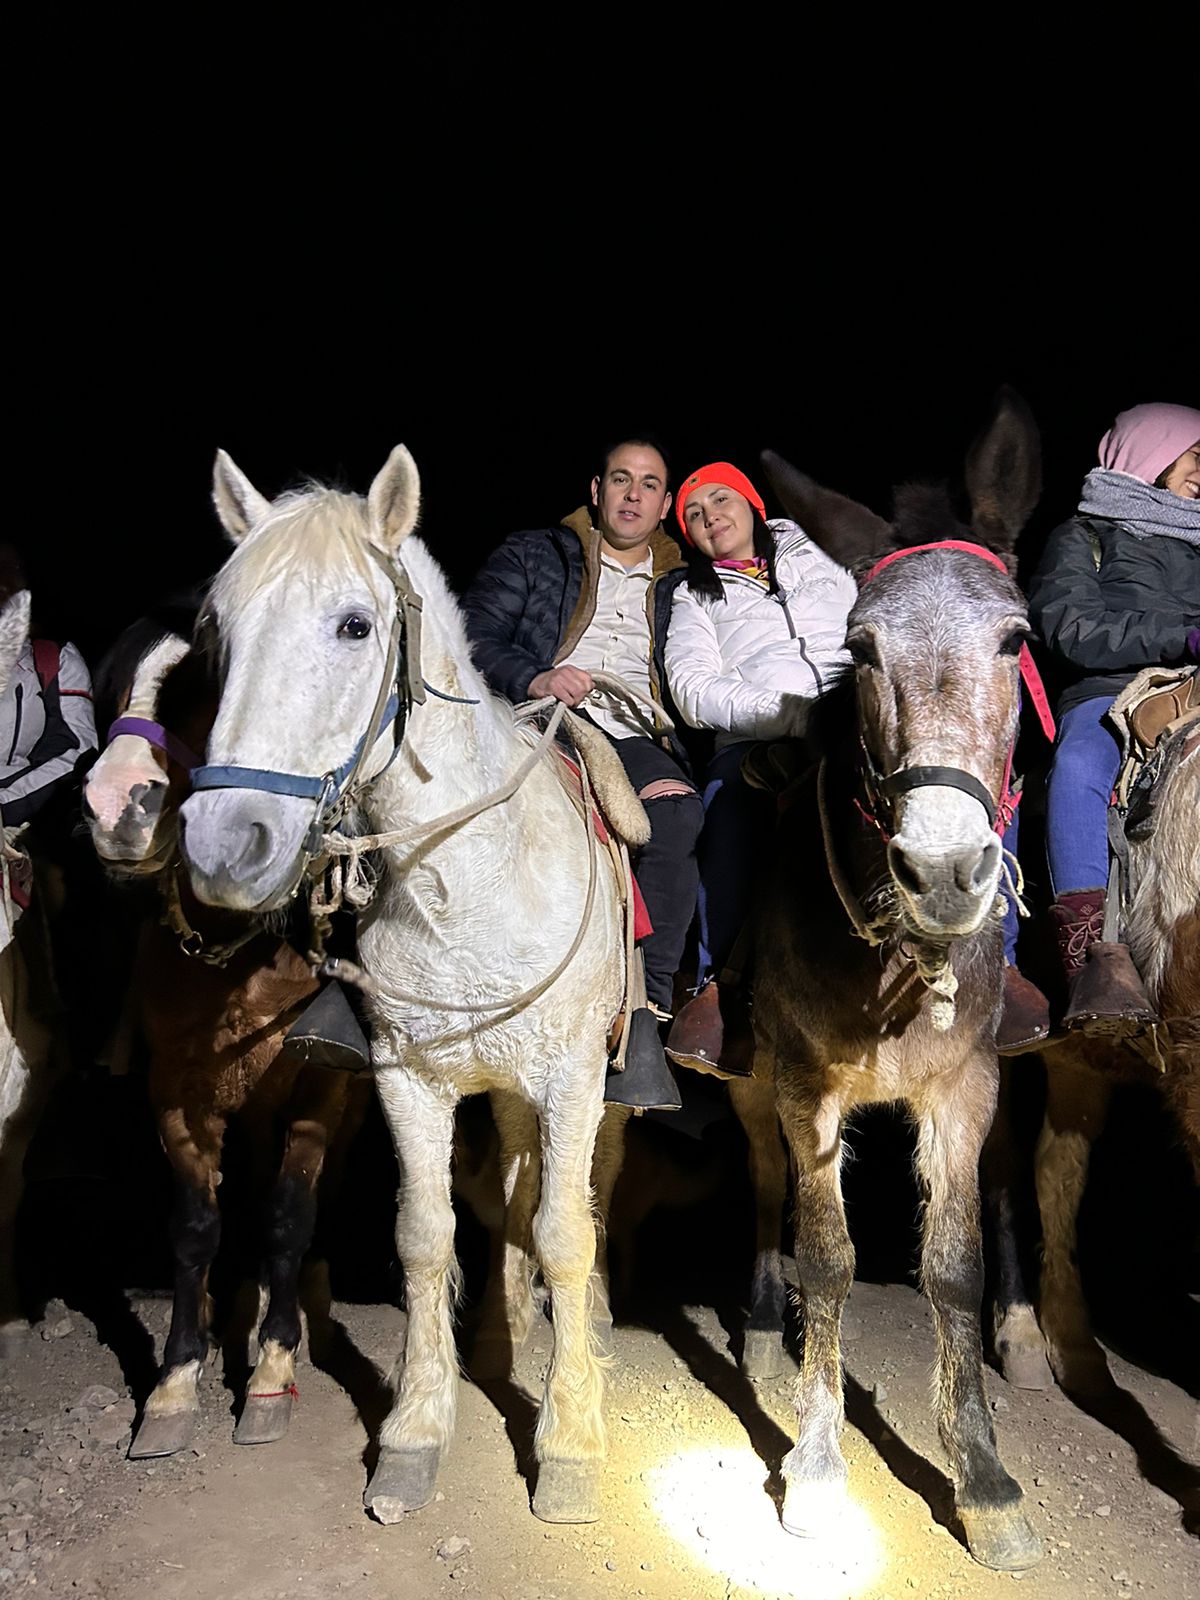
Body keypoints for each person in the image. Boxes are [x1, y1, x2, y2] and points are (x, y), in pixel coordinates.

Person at [461, 437, 703, 1111]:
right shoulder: (537, 553)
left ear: (664, 502)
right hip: (537, 718)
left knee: (679, 809)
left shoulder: (687, 583)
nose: (633, 494)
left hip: (636, 733)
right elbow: (472, 635)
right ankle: (363, 997)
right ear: (596, 491)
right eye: (620, 480)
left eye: (649, 484)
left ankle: (649, 1009)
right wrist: (534, 673)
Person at [661, 462, 857, 1075]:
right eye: (693, 514)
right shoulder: (695, 594)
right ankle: (719, 984)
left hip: (856, 719)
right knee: (727, 811)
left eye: (721, 499)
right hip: (760, 738)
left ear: (751, 503)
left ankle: (997, 961)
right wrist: (792, 716)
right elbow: (692, 687)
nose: (709, 516)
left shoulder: (823, 550)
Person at [1027, 402, 1200, 1035]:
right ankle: (1092, 955)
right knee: (1078, 766)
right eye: (1197, 459)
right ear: (1152, 456)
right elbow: (1070, 629)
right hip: (1114, 690)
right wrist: (1181, 636)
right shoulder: (1087, 536)